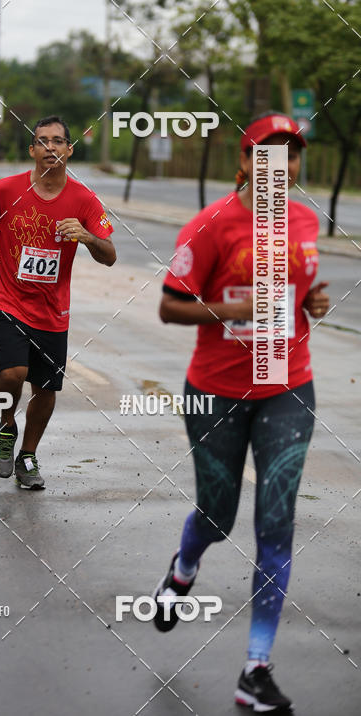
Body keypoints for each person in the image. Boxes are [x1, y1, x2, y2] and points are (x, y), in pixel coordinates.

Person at [155, 113, 330, 713]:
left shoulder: (305, 220)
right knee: (218, 514)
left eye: (292, 155)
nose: (281, 166)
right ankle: (182, 568)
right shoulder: (210, 226)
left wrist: (313, 300)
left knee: (276, 524)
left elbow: (300, 289)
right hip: (217, 393)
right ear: (245, 161)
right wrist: (234, 306)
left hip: (288, 387)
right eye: (268, 153)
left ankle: (255, 669)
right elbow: (170, 308)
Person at [0, 115, 116, 490]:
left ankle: (28, 455)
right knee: (12, 373)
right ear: (32, 149)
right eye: (43, 141)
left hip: (53, 311)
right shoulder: (6, 189)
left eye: (58, 141)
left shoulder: (83, 200)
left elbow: (110, 254)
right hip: (10, 300)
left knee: (46, 391)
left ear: (69, 149)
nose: (50, 147)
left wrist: (85, 236)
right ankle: (6, 427)